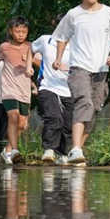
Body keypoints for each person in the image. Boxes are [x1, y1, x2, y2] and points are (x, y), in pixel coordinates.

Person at [52, 0, 110, 165]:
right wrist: (58, 58)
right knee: (84, 102)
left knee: (94, 111)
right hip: (79, 68)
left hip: (101, 70)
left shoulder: (109, 13)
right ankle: (75, 149)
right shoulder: (73, 14)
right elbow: (61, 37)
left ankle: (75, 151)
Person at [0, 17, 34, 165]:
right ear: (11, 31)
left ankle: (7, 150)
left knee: (22, 124)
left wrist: (29, 63)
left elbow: (40, 61)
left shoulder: (31, 47)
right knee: (13, 116)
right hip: (8, 89)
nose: (21, 34)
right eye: (17, 31)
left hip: (24, 90)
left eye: (24, 31)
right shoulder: (4, 47)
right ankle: (14, 150)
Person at [32, 28, 73, 165]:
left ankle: (64, 154)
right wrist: (28, 66)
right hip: (47, 85)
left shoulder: (77, 45)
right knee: (54, 117)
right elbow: (29, 50)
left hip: (69, 88)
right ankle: (48, 150)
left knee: (68, 123)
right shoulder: (45, 40)